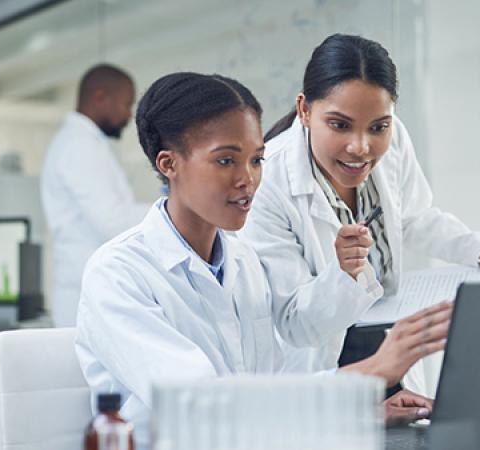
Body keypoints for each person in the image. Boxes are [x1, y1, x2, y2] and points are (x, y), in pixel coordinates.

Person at [75, 72, 452, 450]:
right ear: (169, 164)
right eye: (226, 160)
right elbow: (202, 405)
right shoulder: (118, 274)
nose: (248, 179)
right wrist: (371, 371)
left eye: (257, 160)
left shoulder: (243, 262)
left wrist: (360, 413)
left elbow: (268, 394)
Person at [239, 34, 480, 375]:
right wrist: (344, 274)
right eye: (340, 125)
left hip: (386, 343)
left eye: (378, 126)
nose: (361, 147)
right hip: (320, 364)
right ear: (305, 110)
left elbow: (412, 216)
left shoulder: (395, 139)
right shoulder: (267, 181)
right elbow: (293, 323)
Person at [42, 64, 149, 327]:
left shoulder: (83, 144)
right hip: (85, 295)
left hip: (89, 291)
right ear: (100, 97)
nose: (128, 115)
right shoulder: (79, 147)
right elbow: (112, 222)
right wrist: (177, 208)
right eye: (126, 104)